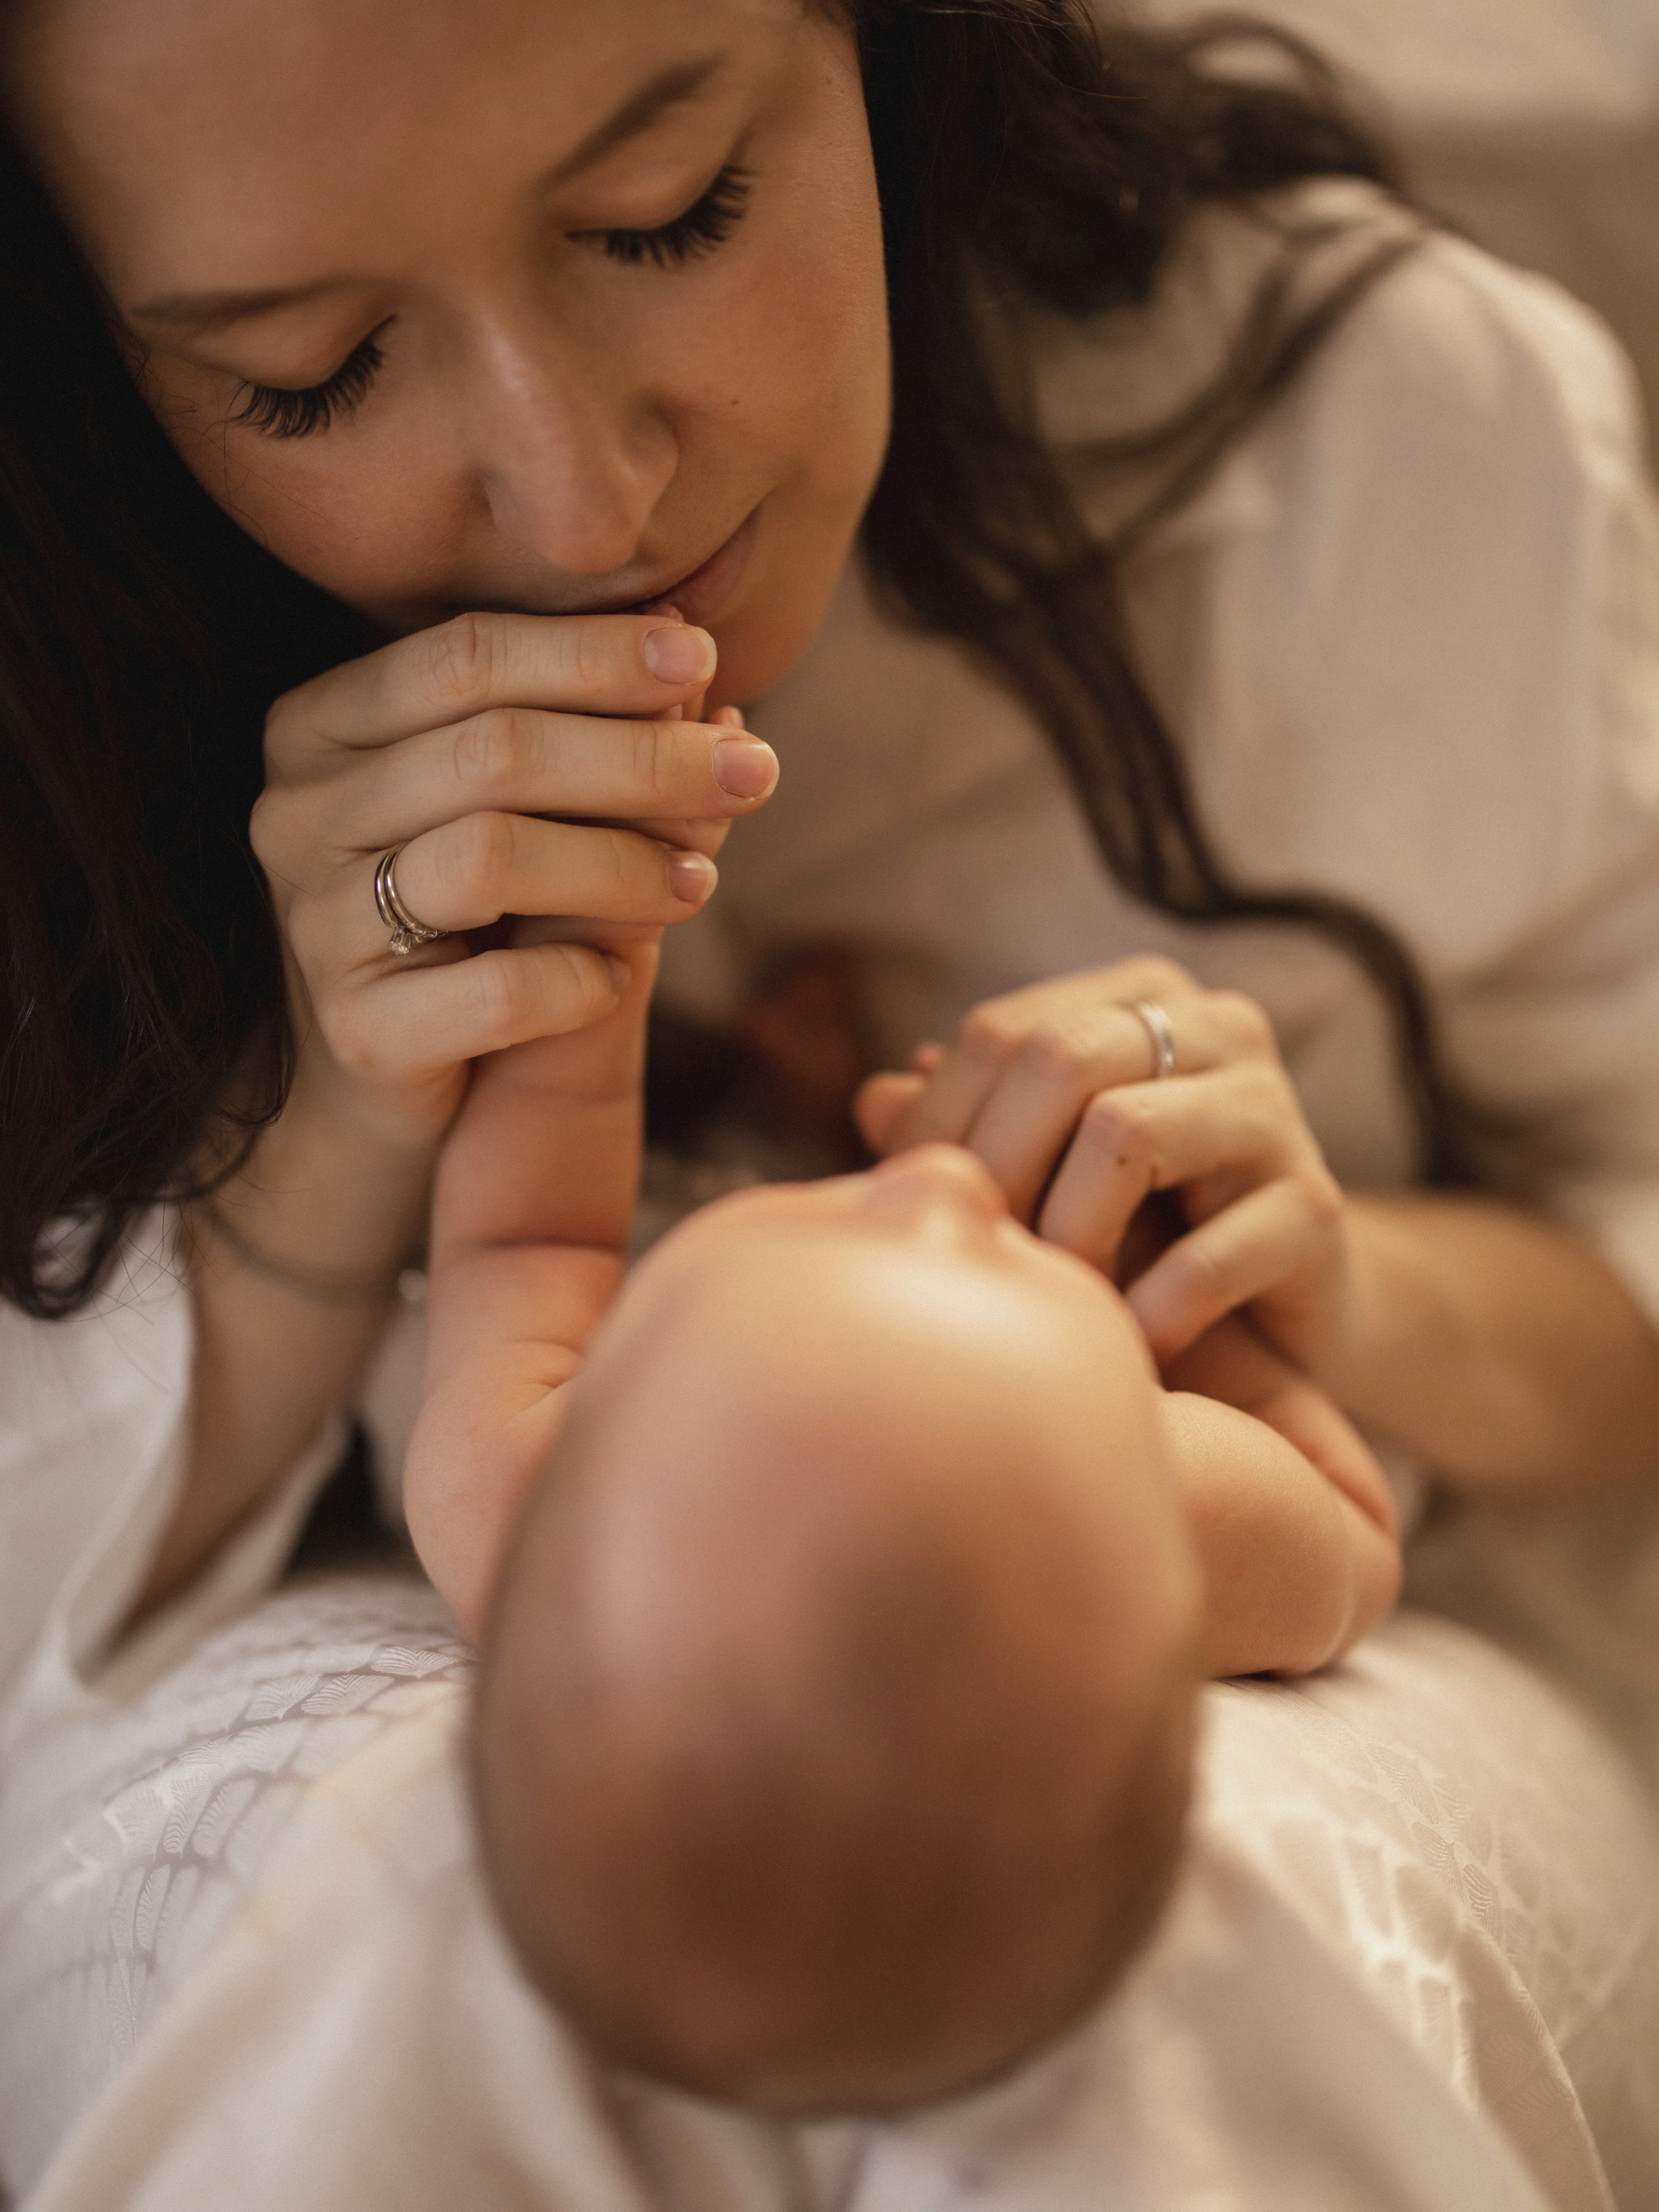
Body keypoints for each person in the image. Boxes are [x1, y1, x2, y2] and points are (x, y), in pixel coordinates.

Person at [3, 0, 1659, 2193]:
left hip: (1374, 1667)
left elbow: (1526, 1360)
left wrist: (1331, 1286)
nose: (586, 493)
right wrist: (331, 1116)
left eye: (668, 214)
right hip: (299, 1643)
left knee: (1203, 1960)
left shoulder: (1394, 447)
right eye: (310, 371)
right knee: (406, 1924)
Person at [402, 902, 1398, 2112]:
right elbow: (1356, 1524)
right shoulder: (1161, 1500)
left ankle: (813, 1129)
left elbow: (525, 1234)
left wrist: (584, 952)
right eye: (1003, 1260)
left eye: (838, 1217)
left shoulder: (506, 1486)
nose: (938, 1180)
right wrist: (1151, 1266)